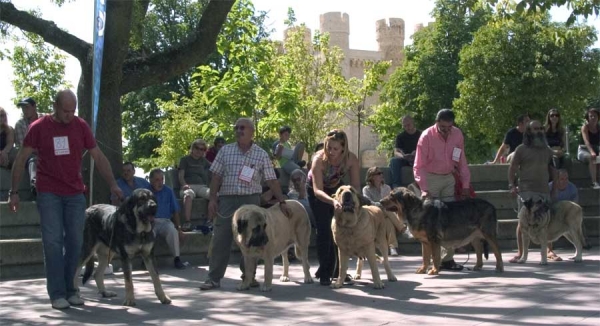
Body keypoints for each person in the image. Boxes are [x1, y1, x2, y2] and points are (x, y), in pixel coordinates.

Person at [7, 90, 123, 310]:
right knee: (52, 243)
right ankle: (57, 293)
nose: (70, 115)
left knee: (75, 243)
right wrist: (14, 191)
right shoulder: (39, 127)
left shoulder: (81, 126)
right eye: (65, 110)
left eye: (73, 110)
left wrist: (113, 184)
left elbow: (98, 156)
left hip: (74, 193)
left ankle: (72, 290)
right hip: (48, 192)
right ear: (55, 106)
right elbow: (21, 158)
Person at [199, 118, 289, 290]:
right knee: (220, 239)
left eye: (242, 128)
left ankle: (249, 277)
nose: (238, 130)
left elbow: (271, 180)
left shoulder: (261, 154)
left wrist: (282, 201)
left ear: (251, 131)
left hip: (251, 201)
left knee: (253, 239)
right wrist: (212, 199)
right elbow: (216, 177)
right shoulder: (225, 151)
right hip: (227, 200)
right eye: (236, 127)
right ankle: (213, 278)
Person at [413, 109, 471, 271]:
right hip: (430, 178)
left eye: (449, 128)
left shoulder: (457, 134)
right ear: (436, 123)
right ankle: (429, 261)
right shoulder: (426, 136)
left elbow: (461, 160)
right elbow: (418, 166)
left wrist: (465, 184)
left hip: (448, 177)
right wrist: (424, 189)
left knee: (448, 220)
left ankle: (447, 260)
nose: (446, 131)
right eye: (443, 128)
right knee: (429, 223)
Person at [307, 129, 361, 286]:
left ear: (343, 148)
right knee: (324, 230)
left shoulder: (351, 159)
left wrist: (355, 202)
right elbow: (318, 191)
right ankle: (325, 272)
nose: (330, 152)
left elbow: (356, 186)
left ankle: (339, 272)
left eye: (335, 149)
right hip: (317, 191)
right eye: (328, 147)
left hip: (336, 189)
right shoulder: (319, 159)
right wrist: (333, 203)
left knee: (338, 230)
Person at [508, 120, 557, 264]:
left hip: (543, 190)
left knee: (545, 222)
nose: (539, 131)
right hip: (526, 191)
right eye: (535, 128)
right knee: (523, 223)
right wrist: (511, 185)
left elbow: (553, 170)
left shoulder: (547, 150)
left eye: (541, 128)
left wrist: (554, 189)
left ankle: (548, 251)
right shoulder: (521, 149)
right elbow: (512, 168)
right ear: (528, 131)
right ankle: (521, 253)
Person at [147, 168, 187, 270]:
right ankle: (148, 260)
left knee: (173, 232)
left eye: (162, 179)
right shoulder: (146, 192)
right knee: (149, 233)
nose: (160, 182)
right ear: (151, 180)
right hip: (150, 221)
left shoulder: (168, 191)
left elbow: (175, 210)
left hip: (166, 221)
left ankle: (177, 259)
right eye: (157, 180)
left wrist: (179, 228)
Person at [362, 167, 400, 256]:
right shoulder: (366, 189)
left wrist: (383, 205)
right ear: (372, 177)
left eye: (381, 173)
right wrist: (381, 204)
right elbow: (368, 202)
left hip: (386, 214)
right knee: (385, 209)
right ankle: (401, 227)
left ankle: (392, 247)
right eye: (378, 174)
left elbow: (390, 201)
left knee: (388, 222)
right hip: (374, 213)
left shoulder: (387, 187)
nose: (381, 175)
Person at [178, 139, 212, 232]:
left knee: (213, 195)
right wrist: (184, 184)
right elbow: (181, 176)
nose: (199, 151)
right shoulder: (184, 160)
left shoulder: (204, 161)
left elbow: (214, 168)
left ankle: (209, 221)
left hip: (202, 187)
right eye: (197, 148)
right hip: (188, 186)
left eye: (202, 149)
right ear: (192, 148)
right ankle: (187, 222)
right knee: (188, 195)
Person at [546, 169, 580, 260]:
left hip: (568, 213)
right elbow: (547, 205)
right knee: (546, 222)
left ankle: (579, 250)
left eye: (566, 179)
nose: (565, 181)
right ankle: (549, 250)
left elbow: (575, 206)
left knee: (573, 225)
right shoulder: (550, 187)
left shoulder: (572, 188)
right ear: (556, 179)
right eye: (562, 179)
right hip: (553, 214)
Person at [14, 97, 41, 192]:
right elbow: (24, 148)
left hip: (48, 153)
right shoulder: (20, 124)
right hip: (29, 156)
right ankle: (35, 184)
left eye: (27, 107)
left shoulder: (45, 119)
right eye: (22, 108)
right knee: (33, 159)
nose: (24, 110)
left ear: (34, 107)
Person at [389, 115, 422, 188]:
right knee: (394, 161)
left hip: (418, 158)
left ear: (413, 123)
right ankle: (396, 185)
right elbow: (396, 151)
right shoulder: (400, 136)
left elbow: (426, 149)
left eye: (409, 125)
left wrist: (416, 153)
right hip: (405, 159)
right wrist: (403, 156)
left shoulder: (421, 134)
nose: (407, 127)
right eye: (405, 126)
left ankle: (421, 183)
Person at [577, 108, 600, 189]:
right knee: (592, 158)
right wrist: (592, 152)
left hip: (596, 149)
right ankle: (594, 183)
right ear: (588, 118)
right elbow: (586, 141)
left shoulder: (598, 128)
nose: (593, 118)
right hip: (583, 150)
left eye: (595, 116)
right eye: (591, 116)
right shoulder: (585, 127)